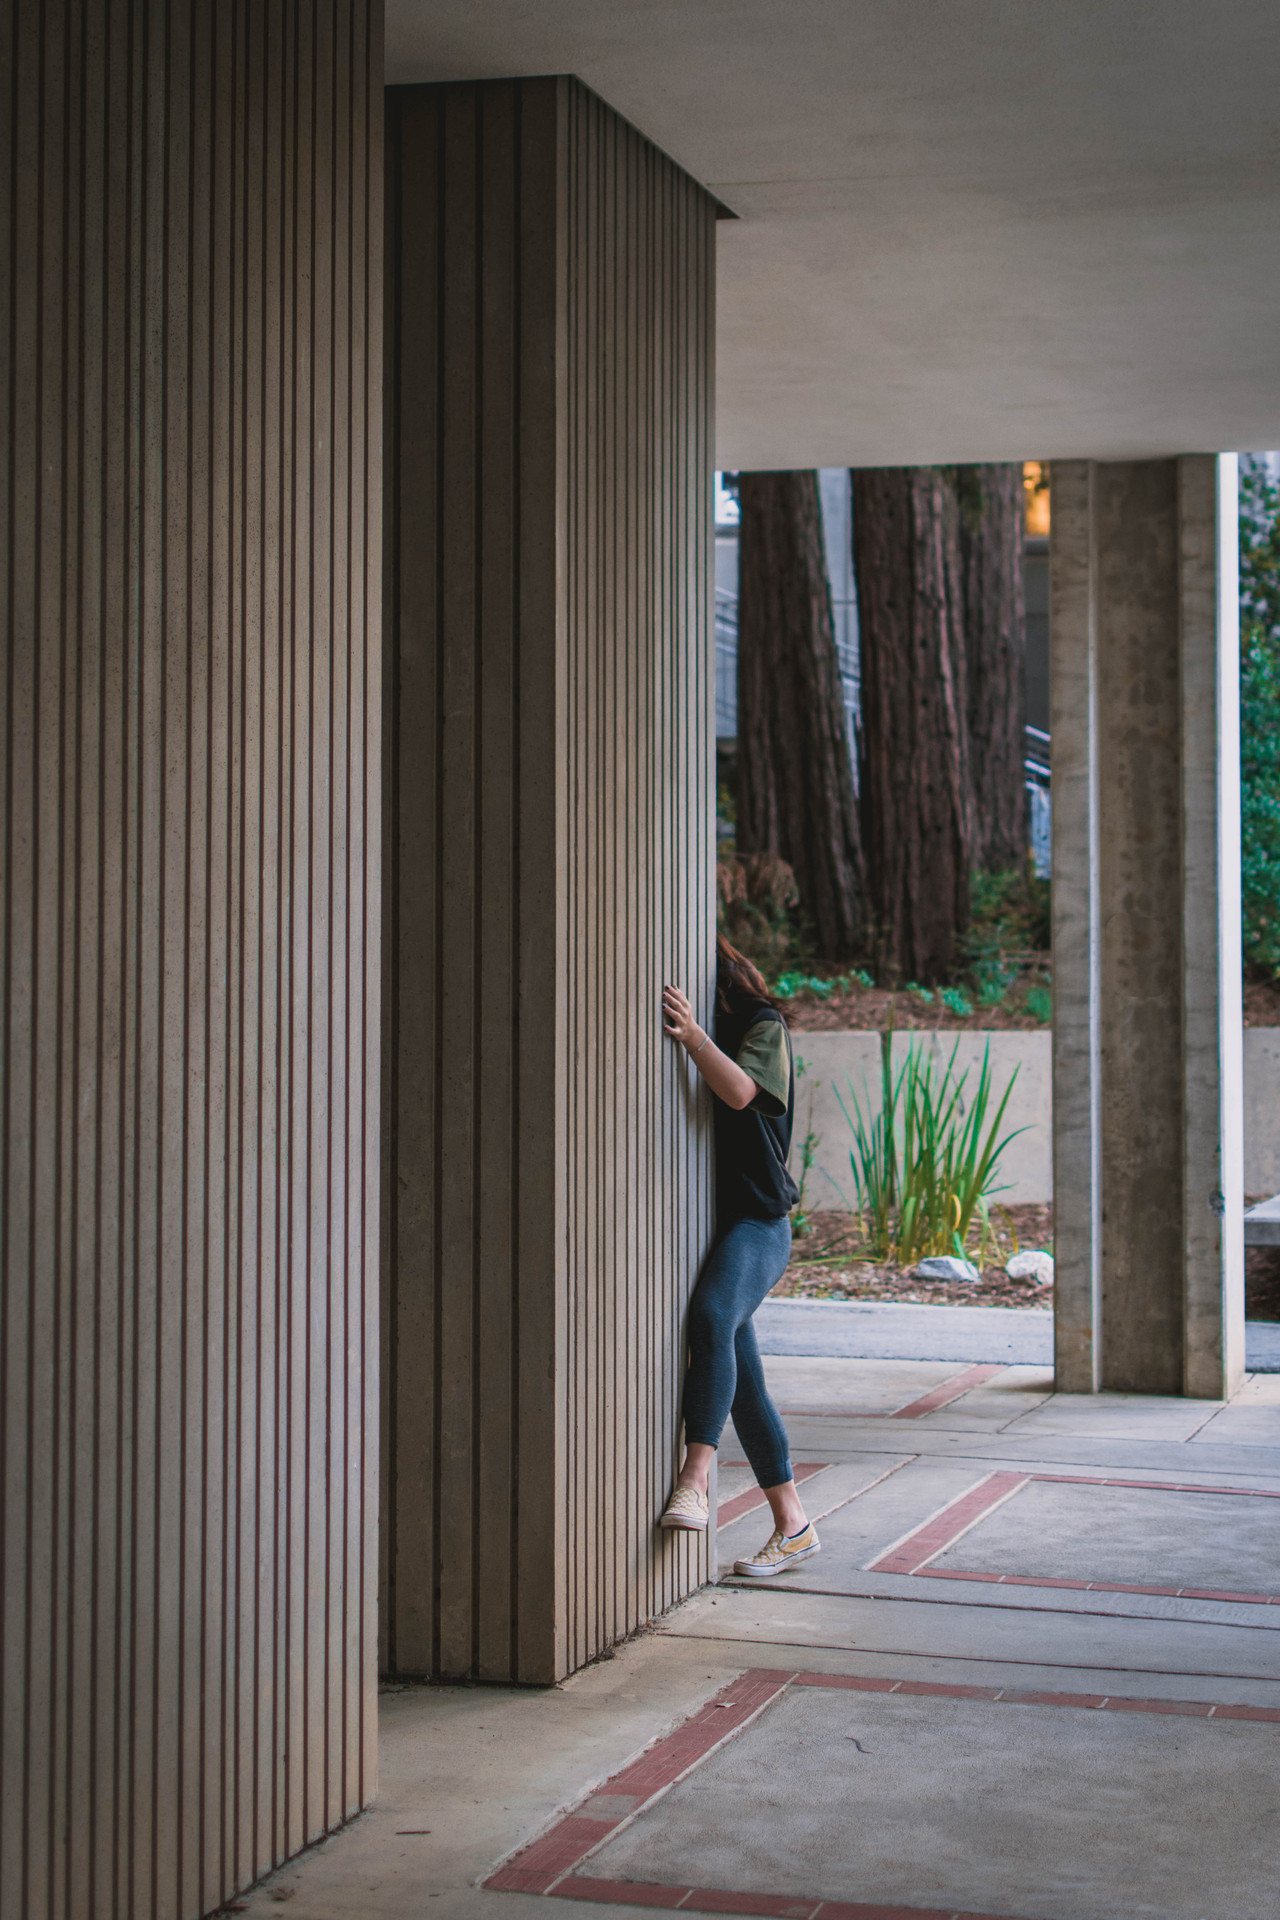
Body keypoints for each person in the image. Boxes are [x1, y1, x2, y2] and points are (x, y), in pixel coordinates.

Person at [657, 935, 820, 1577]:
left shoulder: (763, 1026)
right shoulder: (709, 1031)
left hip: (759, 1223)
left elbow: (741, 1093)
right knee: (744, 1383)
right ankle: (793, 1524)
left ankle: (694, 1479)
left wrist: (695, 1039)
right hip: (717, 1230)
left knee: (712, 1316)